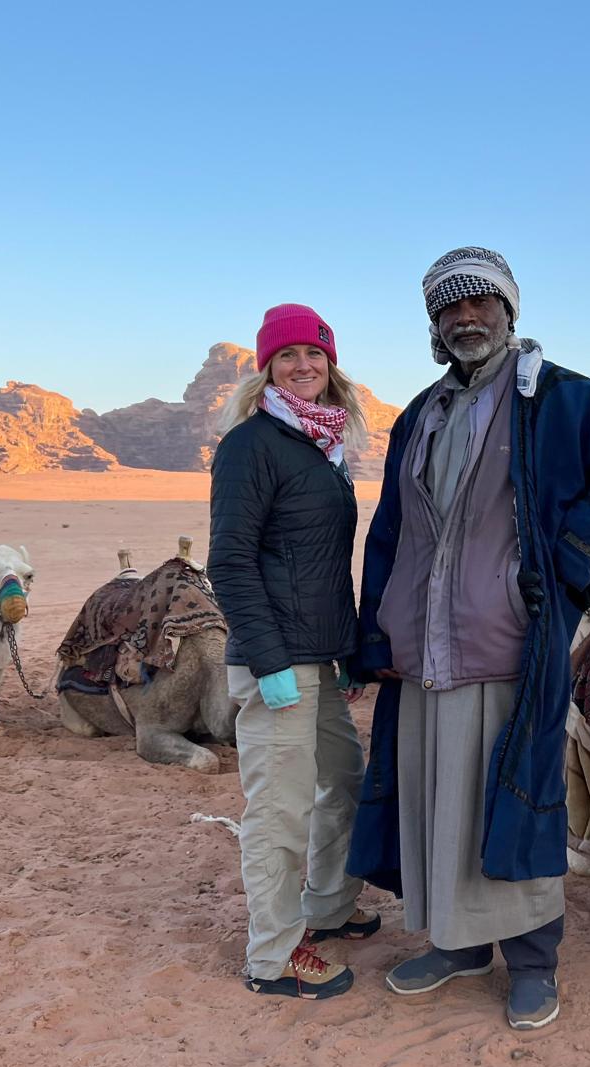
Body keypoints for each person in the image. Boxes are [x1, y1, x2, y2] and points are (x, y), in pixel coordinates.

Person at [348, 249, 590, 1029]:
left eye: (480, 303)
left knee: (513, 801)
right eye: (449, 308)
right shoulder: (421, 414)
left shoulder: (557, 399)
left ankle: (533, 962)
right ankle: (459, 945)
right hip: (421, 650)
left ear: (510, 310)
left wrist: (570, 556)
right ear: (433, 325)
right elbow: (391, 531)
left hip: (508, 641)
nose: (466, 318)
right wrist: (374, 633)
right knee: (438, 802)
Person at [209, 303, 380, 999]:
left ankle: (329, 906)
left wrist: (344, 649)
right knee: (278, 813)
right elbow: (231, 562)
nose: (303, 365)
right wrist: (270, 659)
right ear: (266, 369)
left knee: (343, 784)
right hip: (277, 661)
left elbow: (323, 565)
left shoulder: (322, 448)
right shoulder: (252, 445)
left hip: (318, 655)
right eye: (288, 357)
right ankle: (273, 956)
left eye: (315, 354)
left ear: (330, 365)